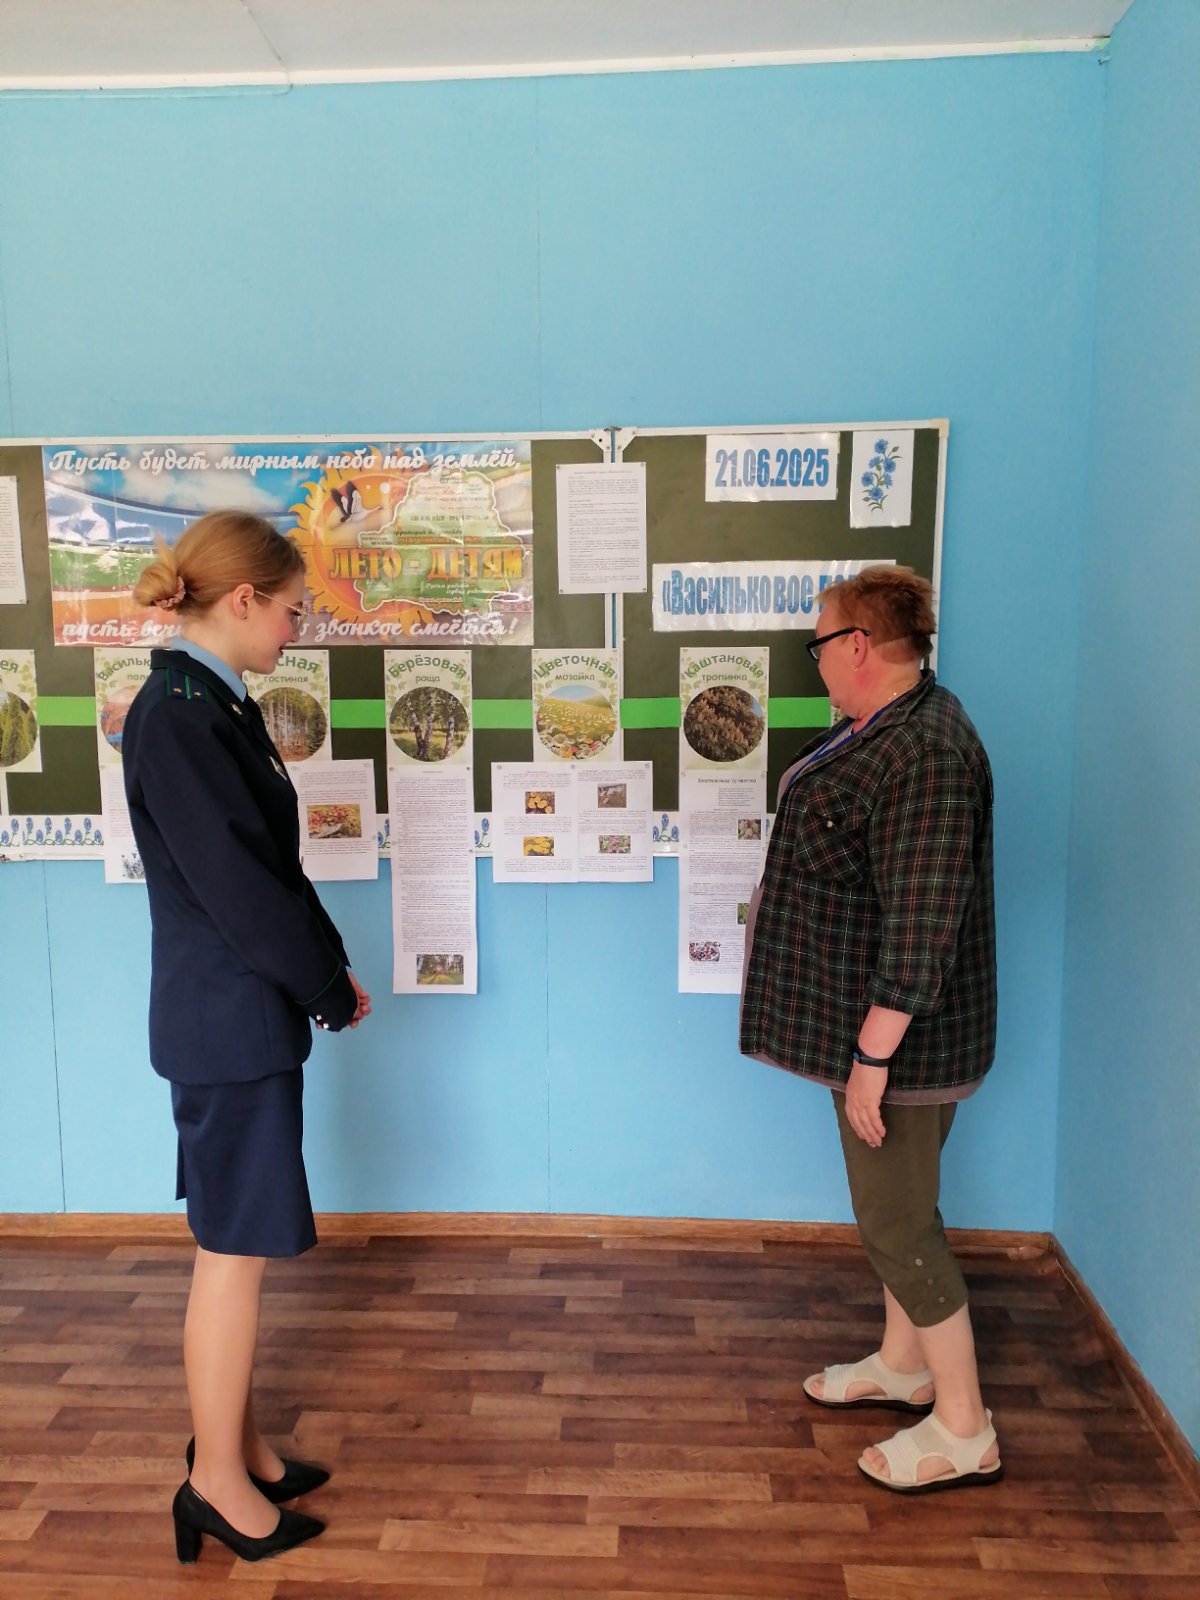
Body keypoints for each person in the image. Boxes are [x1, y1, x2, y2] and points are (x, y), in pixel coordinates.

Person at [122, 511, 372, 1561]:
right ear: (241, 600)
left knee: (237, 1245)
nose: (294, 629)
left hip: (236, 1018)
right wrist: (320, 984)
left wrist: (330, 969)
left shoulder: (208, 703)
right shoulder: (181, 718)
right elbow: (240, 893)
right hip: (226, 1026)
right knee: (231, 1253)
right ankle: (215, 1484)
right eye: (290, 611)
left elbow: (274, 870)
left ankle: (241, 1447)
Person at [740, 565, 1001, 1494]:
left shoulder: (925, 752)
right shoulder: (887, 727)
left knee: (896, 1224)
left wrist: (870, 1059)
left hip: (904, 1049)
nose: (812, 661)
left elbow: (922, 930)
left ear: (856, 646)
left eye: (816, 644)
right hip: (880, 1039)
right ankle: (903, 1363)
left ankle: (965, 1426)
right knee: (903, 1209)